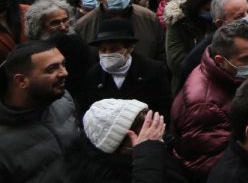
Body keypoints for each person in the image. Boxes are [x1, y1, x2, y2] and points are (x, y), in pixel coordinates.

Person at [171, 20, 248, 178]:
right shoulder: (204, 106)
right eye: (246, 59)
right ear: (220, 61)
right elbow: (207, 166)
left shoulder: (225, 77)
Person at [0, 40, 81, 183]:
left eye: (63, 64)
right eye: (52, 69)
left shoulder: (63, 100)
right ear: (21, 81)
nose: (64, 73)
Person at [77, 17, 171, 121]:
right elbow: (87, 114)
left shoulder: (154, 70)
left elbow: (163, 110)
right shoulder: (93, 75)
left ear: (130, 48)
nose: (107, 54)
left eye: (114, 49)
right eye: (103, 50)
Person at [79, 100, 185, 182]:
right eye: (144, 133)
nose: (154, 133)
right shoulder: (107, 177)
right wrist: (148, 156)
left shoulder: (157, 146)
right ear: (119, 146)